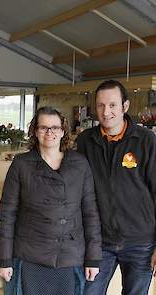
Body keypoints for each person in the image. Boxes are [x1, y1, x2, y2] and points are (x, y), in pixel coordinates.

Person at [0, 106, 102, 295]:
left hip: (70, 256)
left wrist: (93, 259)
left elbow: (90, 213)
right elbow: (7, 214)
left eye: (55, 127)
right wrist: (4, 260)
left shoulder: (80, 163)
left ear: (63, 131)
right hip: (31, 255)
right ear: (35, 132)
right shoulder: (21, 164)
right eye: (43, 127)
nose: (49, 132)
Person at [76, 80, 156, 295]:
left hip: (141, 242)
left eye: (112, 105)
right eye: (101, 105)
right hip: (99, 242)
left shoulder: (147, 141)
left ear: (125, 106)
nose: (106, 111)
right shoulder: (85, 141)